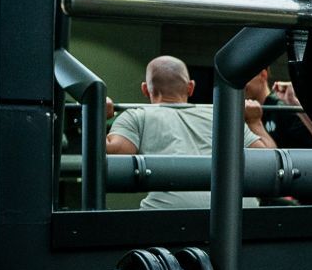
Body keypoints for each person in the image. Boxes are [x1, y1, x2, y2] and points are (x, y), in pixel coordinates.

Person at [105, 57, 277, 209]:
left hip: (170, 212)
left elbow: (113, 152)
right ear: (191, 87)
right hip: (238, 211)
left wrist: (96, 117)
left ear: (145, 89)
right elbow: (269, 160)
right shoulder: (220, 115)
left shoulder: (136, 116)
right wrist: (255, 122)